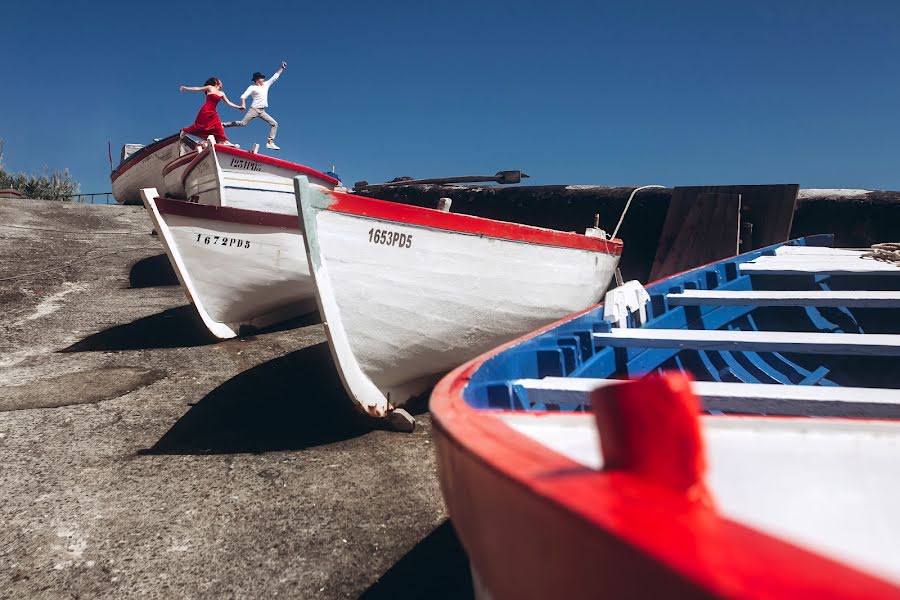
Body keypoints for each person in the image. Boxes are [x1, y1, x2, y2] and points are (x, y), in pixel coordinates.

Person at [223, 62, 286, 150]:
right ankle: (223, 125)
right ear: (257, 80)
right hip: (254, 109)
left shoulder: (266, 85)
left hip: (262, 111)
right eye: (261, 78)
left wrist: (282, 68)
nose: (263, 79)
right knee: (242, 123)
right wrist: (243, 104)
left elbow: (275, 77)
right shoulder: (252, 87)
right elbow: (243, 96)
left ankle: (270, 143)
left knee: (274, 124)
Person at [179, 77, 243, 144]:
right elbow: (197, 88)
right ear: (216, 82)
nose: (221, 82)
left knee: (218, 126)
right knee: (200, 126)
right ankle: (186, 130)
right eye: (219, 81)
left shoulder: (222, 93)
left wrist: (238, 107)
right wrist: (186, 88)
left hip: (213, 112)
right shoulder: (210, 87)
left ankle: (224, 141)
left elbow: (229, 102)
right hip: (205, 110)